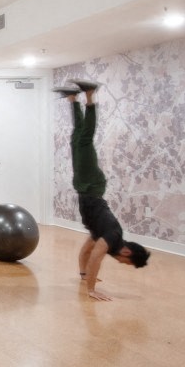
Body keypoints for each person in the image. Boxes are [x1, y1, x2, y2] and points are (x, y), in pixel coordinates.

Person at [54, 80, 150, 300]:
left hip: (85, 187)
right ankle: (89, 96)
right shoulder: (111, 237)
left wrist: (83, 274)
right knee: (85, 140)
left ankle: (72, 99)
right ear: (127, 253)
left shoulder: (103, 235)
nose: (123, 264)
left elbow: (86, 253)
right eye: (127, 263)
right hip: (91, 185)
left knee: (77, 139)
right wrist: (91, 290)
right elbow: (96, 257)